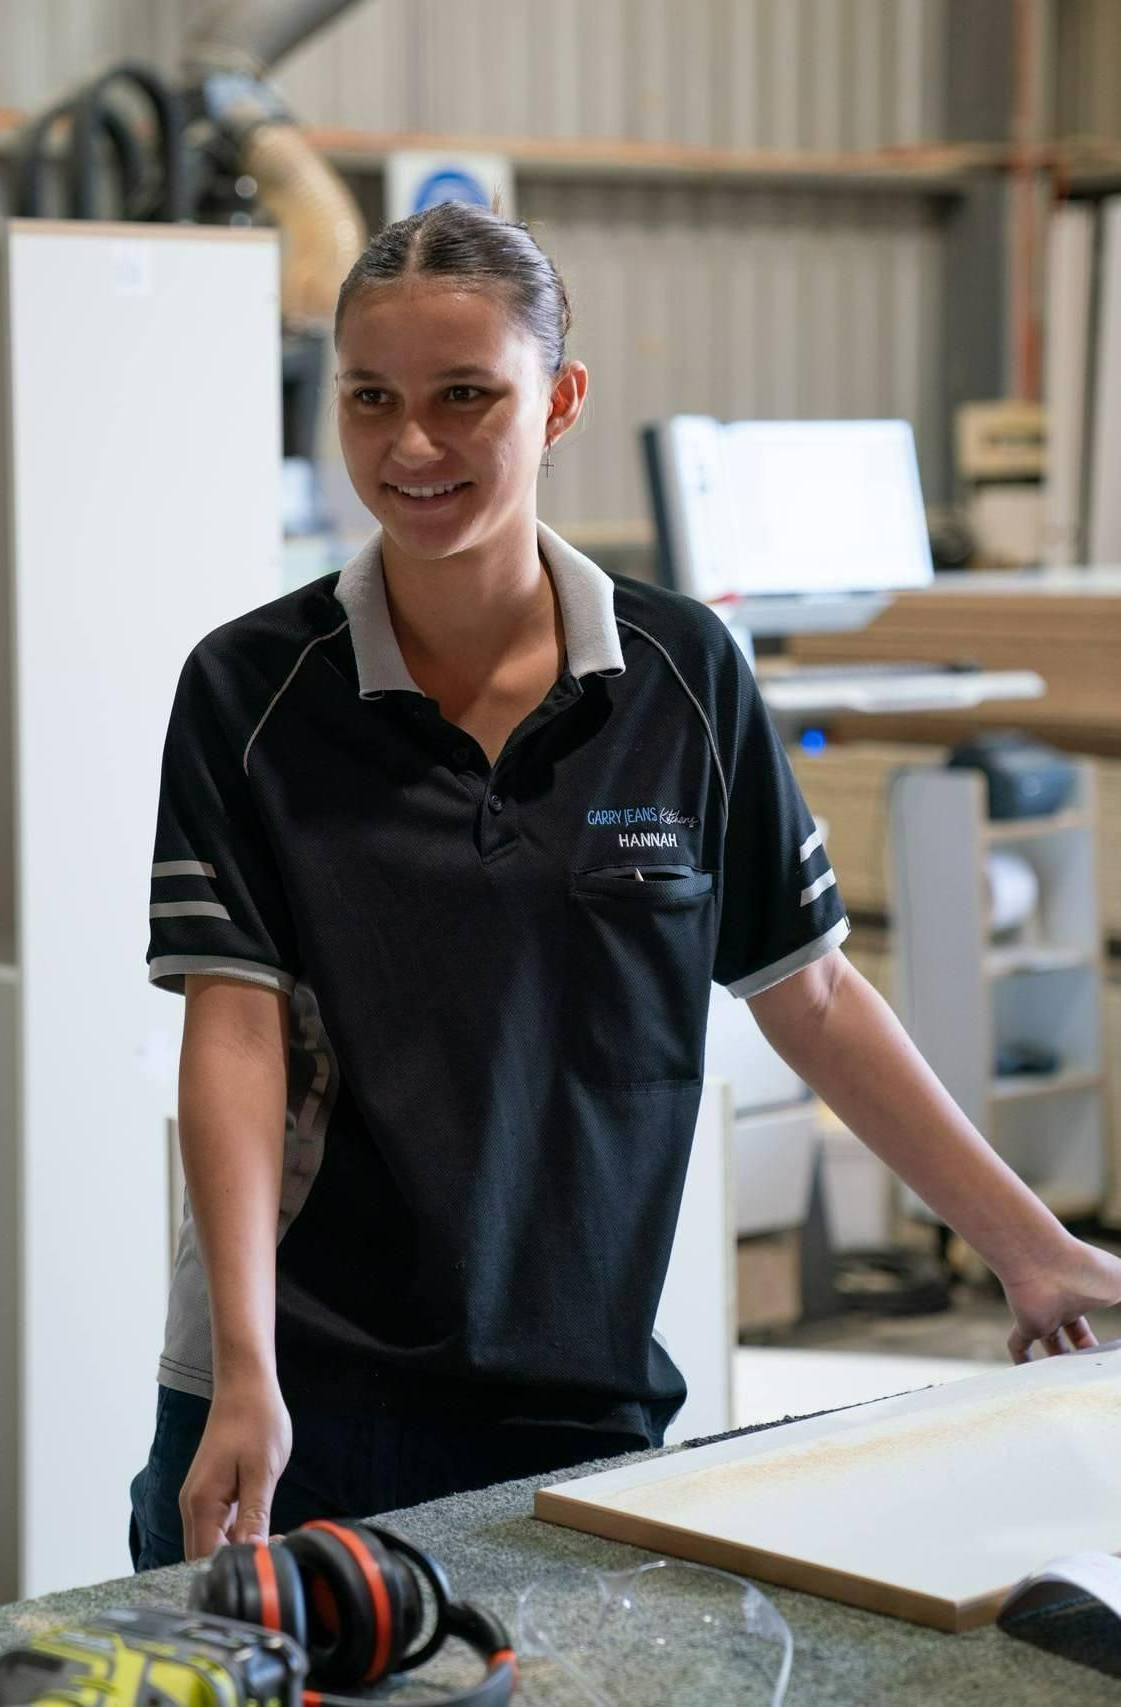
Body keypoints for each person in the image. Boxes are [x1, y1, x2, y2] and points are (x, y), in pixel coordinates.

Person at [128, 202, 1121, 1573]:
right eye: (372, 399)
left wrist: (1030, 1247)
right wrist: (242, 1369)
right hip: (295, 1391)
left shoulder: (684, 676)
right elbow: (231, 1031)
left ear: (560, 401)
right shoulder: (248, 690)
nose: (411, 445)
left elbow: (811, 992)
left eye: (465, 396)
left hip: (575, 1388)